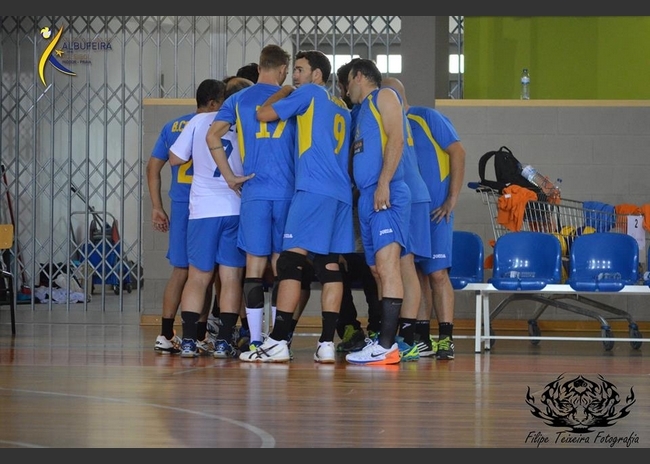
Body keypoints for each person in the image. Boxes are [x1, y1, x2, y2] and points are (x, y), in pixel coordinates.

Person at [243, 49, 354, 363]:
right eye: (293, 71)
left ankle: (278, 340)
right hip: (341, 193)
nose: (295, 75)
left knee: (290, 262)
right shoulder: (342, 107)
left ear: (317, 75)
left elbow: (263, 114)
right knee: (329, 265)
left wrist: (284, 91)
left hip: (313, 188)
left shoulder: (309, 93)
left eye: (301, 70)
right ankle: (326, 343)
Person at [206, 44, 296, 351]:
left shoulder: (237, 99)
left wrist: (230, 177)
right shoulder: (292, 97)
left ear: (259, 68)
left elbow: (212, 136)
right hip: (286, 192)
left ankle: (255, 340)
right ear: (283, 70)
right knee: (282, 267)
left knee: (254, 267)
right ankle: (277, 340)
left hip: (254, 191)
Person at [169, 77, 252, 358]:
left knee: (198, 277)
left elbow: (175, 158)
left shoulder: (200, 121)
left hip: (203, 209)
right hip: (236, 206)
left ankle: (189, 340)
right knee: (231, 278)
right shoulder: (245, 123)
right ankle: (224, 341)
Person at [386, 77, 467, 360]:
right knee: (416, 273)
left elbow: (458, 152)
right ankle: (422, 337)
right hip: (410, 211)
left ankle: (446, 338)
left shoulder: (426, 116)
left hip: (437, 209)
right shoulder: (390, 125)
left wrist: (451, 199)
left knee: (437, 273)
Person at [147, 78, 223, 355]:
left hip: (180, 204)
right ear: (213, 103)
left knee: (181, 271)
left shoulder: (173, 126)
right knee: (205, 272)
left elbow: (152, 168)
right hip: (206, 204)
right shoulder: (218, 125)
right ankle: (199, 335)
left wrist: (157, 206)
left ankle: (166, 334)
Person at [344, 59, 410, 366]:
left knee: (387, 266)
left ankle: (387, 346)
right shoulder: (360, 113)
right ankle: (385, 340)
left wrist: (384, 183)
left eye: (348, 82)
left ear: (359, 76)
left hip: (386, 192)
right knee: (376, 270)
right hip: (367, 198)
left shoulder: (383, 95)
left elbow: (397, 138)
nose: (347, 90)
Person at [381, 77, 432, 362]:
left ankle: (408, 338)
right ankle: (407, 335)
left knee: (405, 265)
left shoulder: (392, 114)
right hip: (413, 194)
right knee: (405, 267)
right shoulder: (402, 117)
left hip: (407, 195)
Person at [333, 58, 380, 353]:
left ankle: (377, 330)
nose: (346, 91)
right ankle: (351, 329)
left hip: (367, 204)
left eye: (347, 85)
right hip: (343, 207)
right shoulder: (345, 117)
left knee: (372, 268)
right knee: (335, 268)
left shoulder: (373, 109)